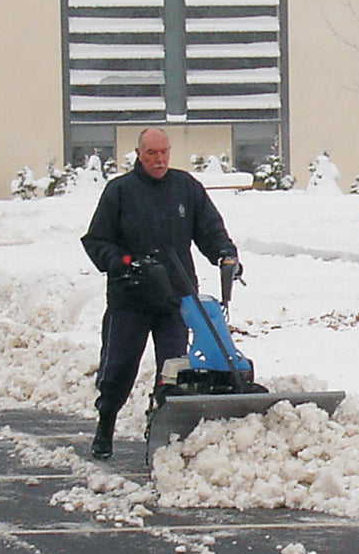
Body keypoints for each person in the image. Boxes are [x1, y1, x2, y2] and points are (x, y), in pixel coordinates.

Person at [80, 128, 240, 460]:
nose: (159, 159)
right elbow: (96, 241)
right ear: (139, 154)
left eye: (164, 152)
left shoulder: (186, 189)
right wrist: (122, 261)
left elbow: (210, 230)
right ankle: (105, 424)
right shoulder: (120, 191)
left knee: (174, 369)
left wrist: (225, 255)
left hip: (175, 299)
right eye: (152, 153)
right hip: (131, 299)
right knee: (119, 367)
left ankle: (160, 429)